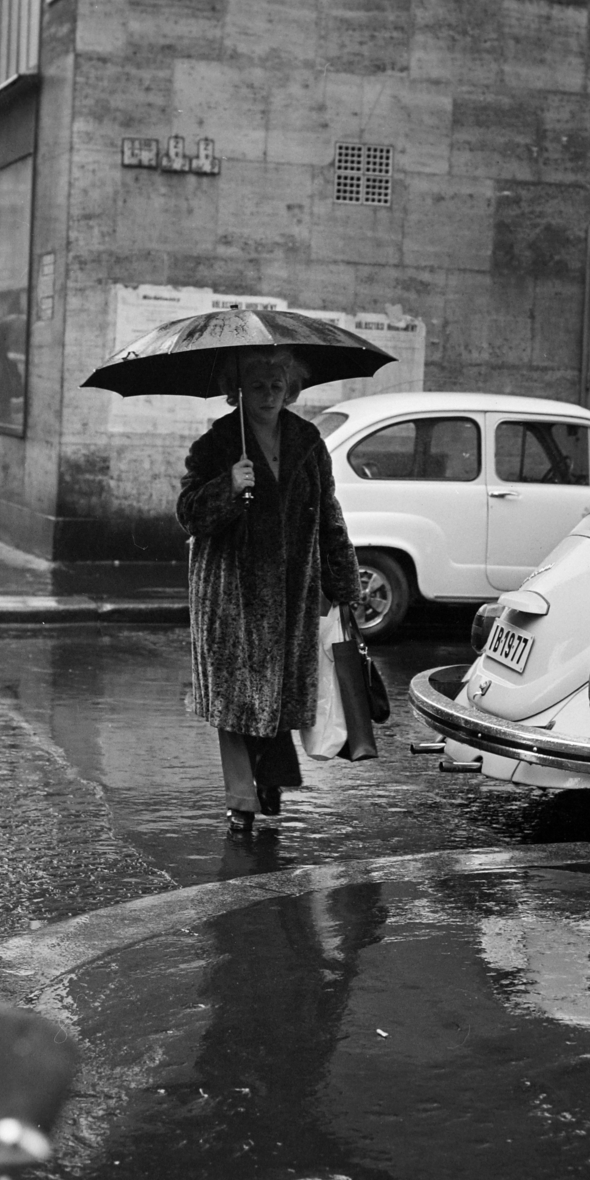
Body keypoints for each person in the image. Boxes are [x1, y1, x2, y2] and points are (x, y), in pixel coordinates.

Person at [176, 347, 361, 833]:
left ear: (290, 389)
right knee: (236, 700)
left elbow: (329, 513)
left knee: (278, 692)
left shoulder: (308, 440)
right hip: (231, 594)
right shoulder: (216, 443)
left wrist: (343, 583)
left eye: (277, 387)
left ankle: (272, 776)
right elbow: (190, 515)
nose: (268, 396)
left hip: (292, 589)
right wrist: (228, 488)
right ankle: (241, 799)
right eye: (257, 387)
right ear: (238, 391)